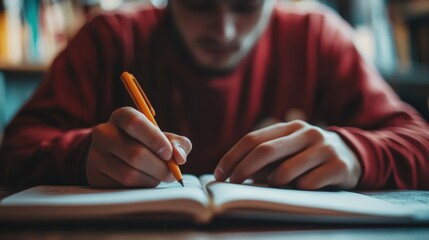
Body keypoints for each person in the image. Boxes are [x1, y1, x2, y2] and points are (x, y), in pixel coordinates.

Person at [0, 0, 428, 190]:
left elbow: (420, 142)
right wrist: (82, 156)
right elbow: (14, 149)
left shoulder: (319, 39)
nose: (223, 31)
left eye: (245, 6)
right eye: (199, 4)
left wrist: (355, 152)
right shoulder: (109, 40)